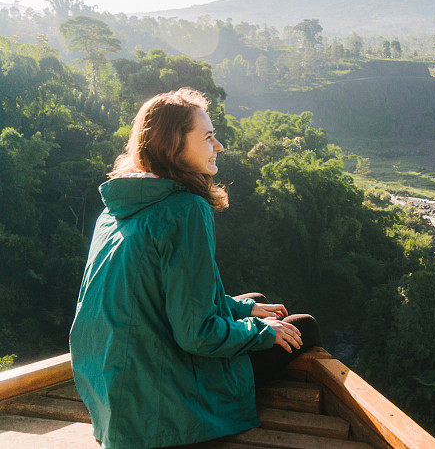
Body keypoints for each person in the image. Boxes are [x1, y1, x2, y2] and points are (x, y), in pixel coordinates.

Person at [68, 88, 321, 449]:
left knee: (257, 300)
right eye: (207, 137)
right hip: (156, 406)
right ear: (174, 146)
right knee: (303, 327)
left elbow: (159, 297)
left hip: (112, 392)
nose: (218, 146)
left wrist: (245, 311)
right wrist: (261, 332)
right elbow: (196, 335)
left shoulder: (117, 208)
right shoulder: (185, 210)